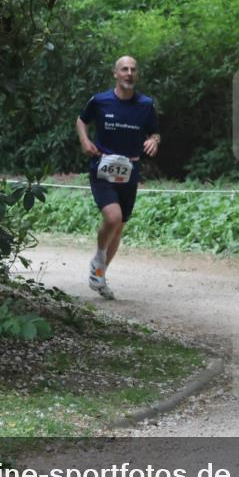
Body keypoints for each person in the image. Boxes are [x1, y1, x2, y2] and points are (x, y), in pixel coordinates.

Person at [76, 56, 161, 299]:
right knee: (113, 218)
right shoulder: (101, 101)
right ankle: (99, 259)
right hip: (102, 167)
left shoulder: (146, 104)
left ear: (138, 75)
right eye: (124, 69)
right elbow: (81, 120)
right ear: (115, 73)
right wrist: (85, 140)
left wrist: (154, 140)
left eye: (133, 69)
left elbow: (155, 132)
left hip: (130, 170)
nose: (129, 73)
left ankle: (100, 274)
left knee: (119, 226)